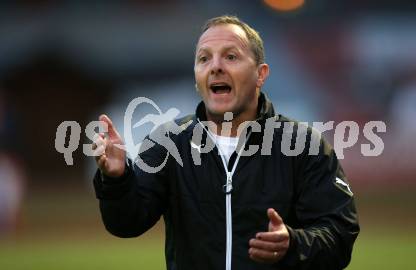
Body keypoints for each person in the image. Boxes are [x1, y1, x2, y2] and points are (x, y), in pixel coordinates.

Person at [92, 15, 359, 270]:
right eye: (204, 59)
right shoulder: (169, 143)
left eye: (231, 56)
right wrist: (116, 180)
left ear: (260, 74)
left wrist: (293, 245)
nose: (216, 66)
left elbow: (339, 236)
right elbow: (125, 224)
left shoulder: (305, 146)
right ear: (197, 76)